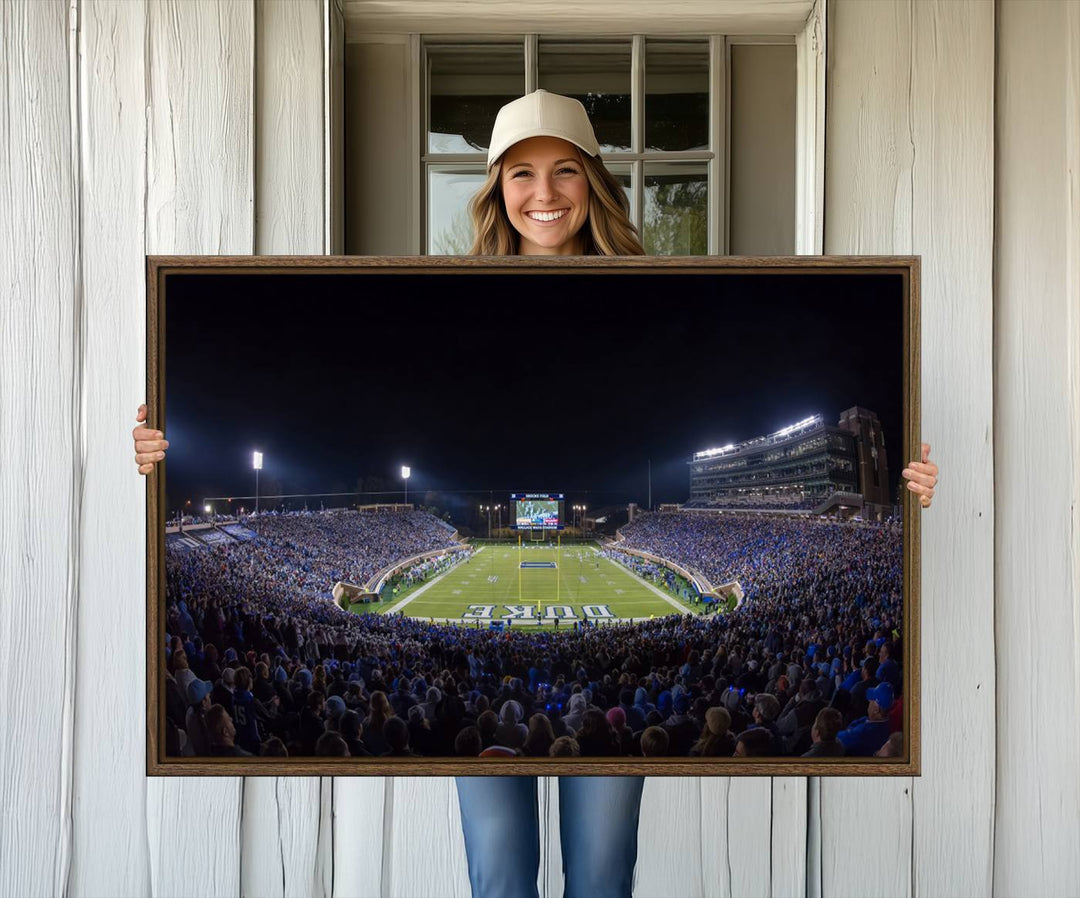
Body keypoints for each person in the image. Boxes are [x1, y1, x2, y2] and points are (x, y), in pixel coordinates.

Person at [133, 88, 941, 898]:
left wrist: (906, 489)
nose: (544, 194)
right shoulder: (449, 291)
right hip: (491, 717)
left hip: (589, 720)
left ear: (594, 180)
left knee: (599, 878)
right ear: (495, 188)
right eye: (521, 173)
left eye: (564, 171)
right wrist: (152, 453)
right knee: (500, 878)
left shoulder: (650, 289)